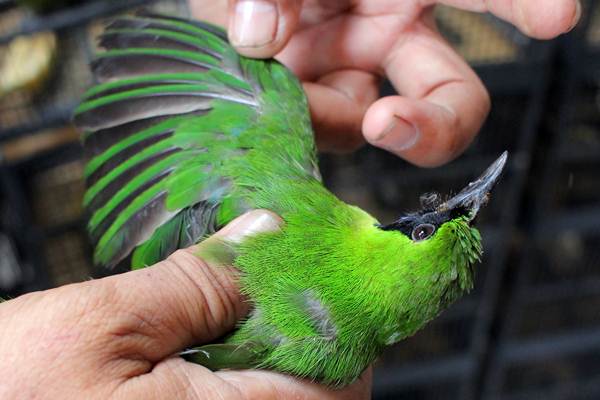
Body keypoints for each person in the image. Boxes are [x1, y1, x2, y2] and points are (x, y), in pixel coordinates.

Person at [0, 1, 580, 398]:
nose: (435, 214)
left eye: (425, 230)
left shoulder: (281, 204)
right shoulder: (342, 362)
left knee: (269, 87)